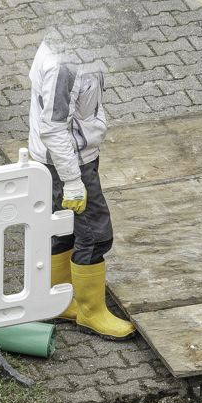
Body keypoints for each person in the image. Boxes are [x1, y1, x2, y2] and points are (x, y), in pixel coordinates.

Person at [28, 38, 135, 338]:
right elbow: (52, 126)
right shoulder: (65, 66)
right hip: (69, 164)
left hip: (68, 159)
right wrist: (73, 180)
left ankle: (58, 300)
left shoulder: (73, 43)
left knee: (65, 229)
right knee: (96, 234)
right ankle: (91, 313)